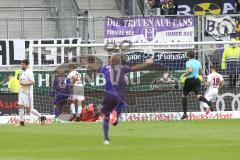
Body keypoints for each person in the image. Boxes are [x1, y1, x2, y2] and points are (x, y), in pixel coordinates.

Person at [85, 54, 153, 145]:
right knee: (116, 118)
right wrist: (147, 63)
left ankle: (106, 139)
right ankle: (115, 116)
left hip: (108, 96)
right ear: (118, 62)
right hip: (119, 97)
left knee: (106, 117)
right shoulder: (122, 68)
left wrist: (87, 63)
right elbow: (135, 68)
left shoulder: (105, 68)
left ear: (111, 61)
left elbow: (93, 67)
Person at [181, 51, 212, 120]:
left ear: (188, 55)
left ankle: (185, 113)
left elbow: (190, 70)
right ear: (194, 56)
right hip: (197, 80)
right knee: (198, 95)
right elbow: (201, 72)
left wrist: (184, 75)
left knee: (184, 96)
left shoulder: (188, 62)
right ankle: (208, 102)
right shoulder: (198, 62)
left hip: (189, 80)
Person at [17, 59, 46, 126]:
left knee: (28, 108)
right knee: (20, 107)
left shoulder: (29, 72)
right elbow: (21, 81)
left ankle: (41, 117)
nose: (22, 66)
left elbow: (33, 81)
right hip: (21, 91)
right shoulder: (22, 72)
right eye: (21, 64)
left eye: (23, 65)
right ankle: (21, 123)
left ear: (26, 65)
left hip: (26, 92)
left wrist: (25, 84)